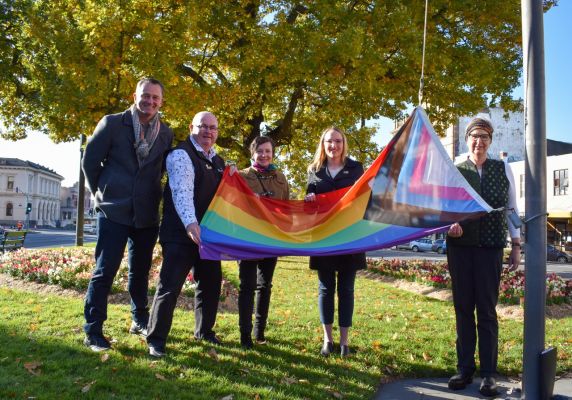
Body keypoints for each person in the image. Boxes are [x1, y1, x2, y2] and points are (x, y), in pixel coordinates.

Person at [81, 77, 174, 352]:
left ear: (161, 101)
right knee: (104, 271)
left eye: (155, 98)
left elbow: (161, 171)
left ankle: (139, 320)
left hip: (145, 213)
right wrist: (103, 192)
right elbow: (89, 161)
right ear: (135, 95)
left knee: (140, 272)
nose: (150, 101)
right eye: (146, 96)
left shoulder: (166, 133)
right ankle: (93, 331)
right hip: (113, 210)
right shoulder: (112, 123)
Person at [446, 117, 521, 397]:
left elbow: (511, 209)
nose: (479, 142)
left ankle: (489, 374)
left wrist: (516, 243)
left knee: (487, 312)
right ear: (468, 140)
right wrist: (448, 226)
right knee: (463, 309)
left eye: (484, 137)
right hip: (460, 247)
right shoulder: (455, 167)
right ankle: (465, 369)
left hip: (490, 248)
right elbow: (444, 206)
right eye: (474, 136)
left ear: (491, 140)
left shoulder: (502, 168)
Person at [146, 111, 225, 358]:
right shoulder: (181, 155)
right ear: (192, 127)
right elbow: (182, 192)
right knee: (170, 287)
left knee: (210, 285)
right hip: (181, 234)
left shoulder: (218, 160)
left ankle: (204, 331)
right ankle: (156, 339)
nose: (208, 132)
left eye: (212, 128)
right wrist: (191, 225)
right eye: (203, 127)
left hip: (208, 237)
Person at [304, 127, 365, 357]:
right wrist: (309, 198)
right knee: (325, 289)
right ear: (323, 144)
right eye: (329, 141)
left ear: (343, 144)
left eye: (338, 141)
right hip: (324, 238)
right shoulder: (314, 170)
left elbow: (363, 198)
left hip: (350, 238)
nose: (334, 146)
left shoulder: (355, 168)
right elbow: (309, 196)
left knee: (347, 290)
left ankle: (344, 343)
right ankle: (327, 340)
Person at [236, 136, 289, 349]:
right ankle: (245, 334)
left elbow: (286, 207)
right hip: (248, 238)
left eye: (268, 151)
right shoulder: (241, 177)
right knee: (247, 286)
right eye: (260, 151)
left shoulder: (281, 178)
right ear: (253, 153)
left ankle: (259, 331)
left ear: (273, 153)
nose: (264, 155)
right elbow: (233, 205)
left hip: (271, 239)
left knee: (264, 286)